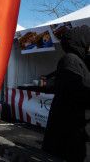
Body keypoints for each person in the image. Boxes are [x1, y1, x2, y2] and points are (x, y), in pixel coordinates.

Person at [42, 25, 90, 162]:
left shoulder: (81, 61)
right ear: (82, 41)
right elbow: (78, 92)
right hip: (71, 131)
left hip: (77, 130)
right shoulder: (70, 60)